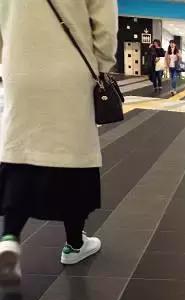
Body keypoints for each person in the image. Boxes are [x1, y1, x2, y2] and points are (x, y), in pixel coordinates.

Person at [0, 0, 118, 283]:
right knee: (72, 156)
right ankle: (74, 244)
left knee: (21, 152)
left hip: (19, 67)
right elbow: (104, 24)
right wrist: (102, 66)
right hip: (70, 70)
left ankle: (9, 238)